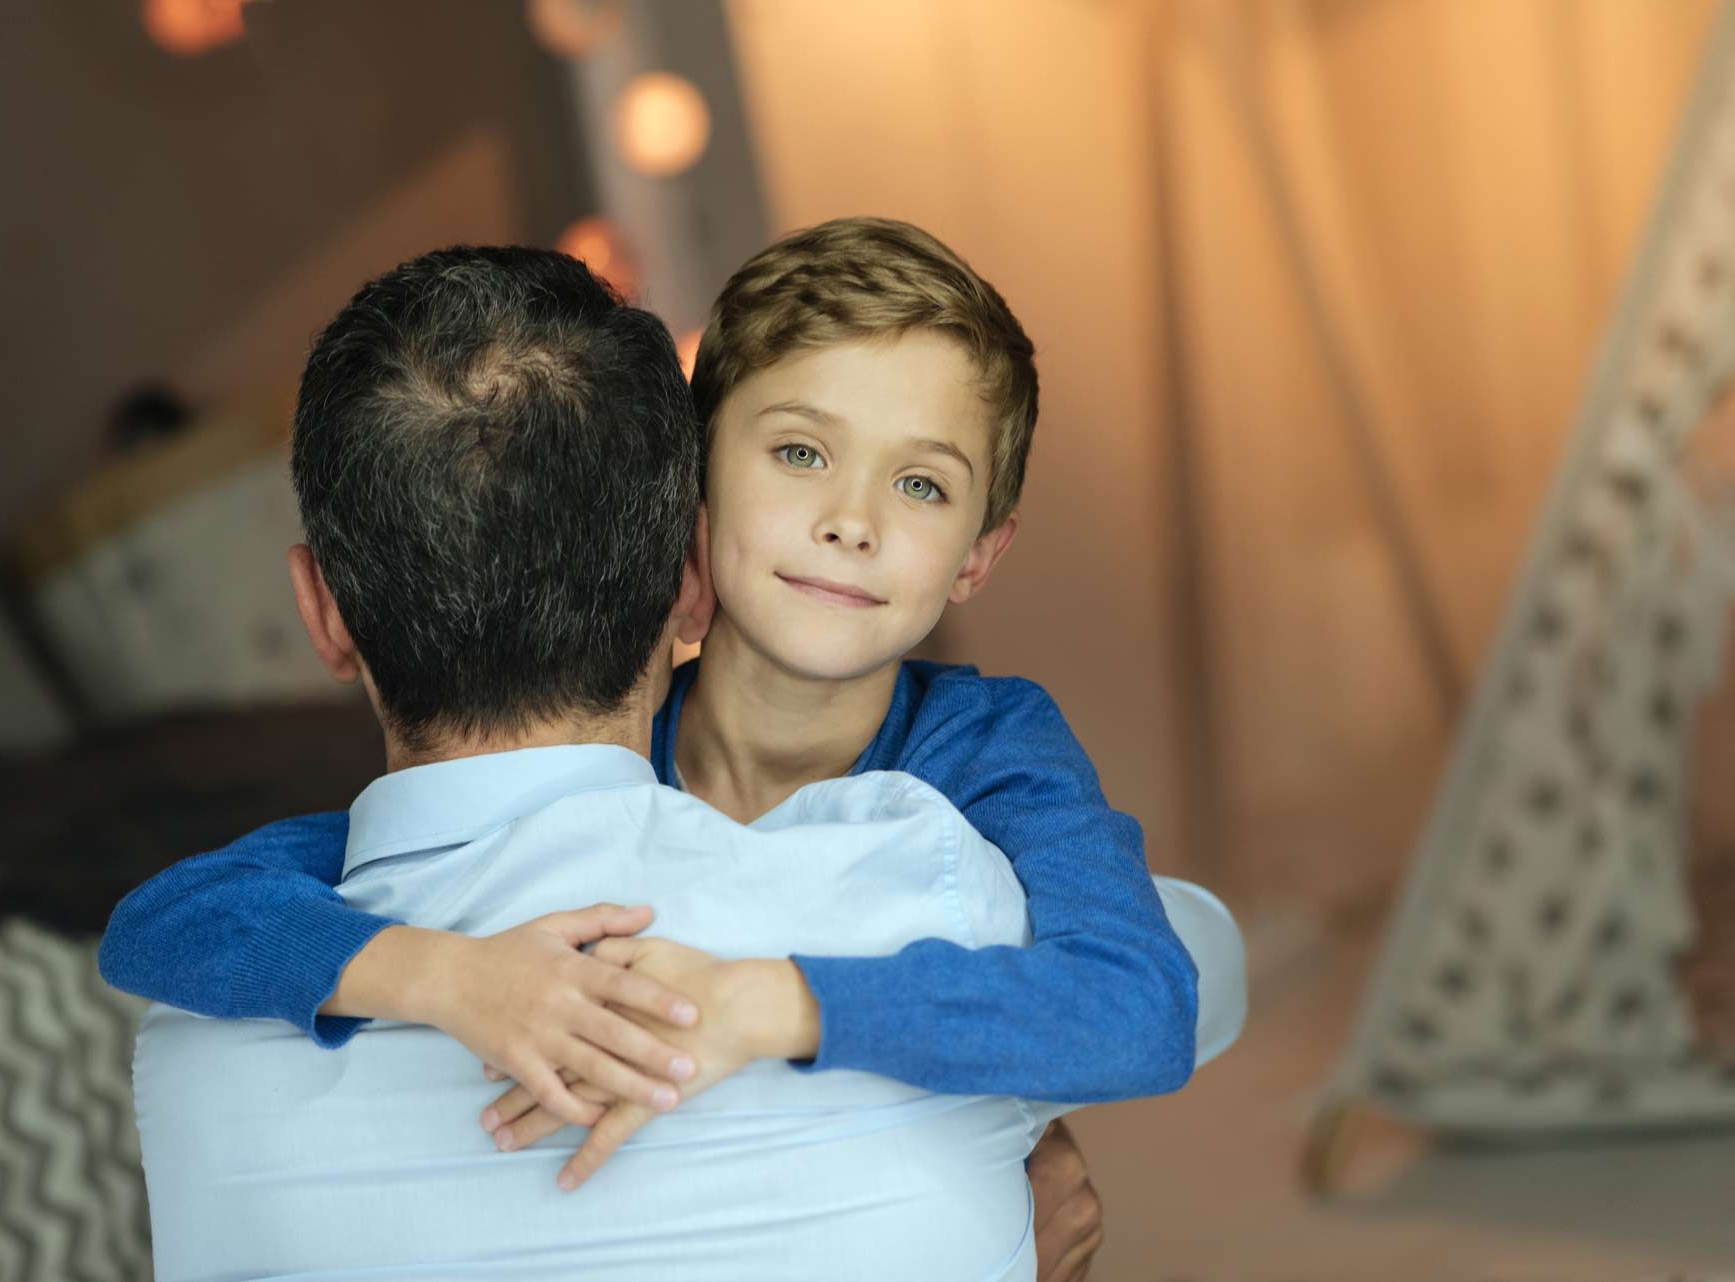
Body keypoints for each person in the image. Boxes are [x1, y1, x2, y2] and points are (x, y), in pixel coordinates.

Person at [111, 221, 1247, 1277]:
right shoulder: (600, 737)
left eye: (919, 482)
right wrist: (445, 977)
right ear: (691, 512)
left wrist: (767, 1007)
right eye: (801, 452)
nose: (854, 519)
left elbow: (1141, 1000)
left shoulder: (989, 755)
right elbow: (168, 916)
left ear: (978, 556)